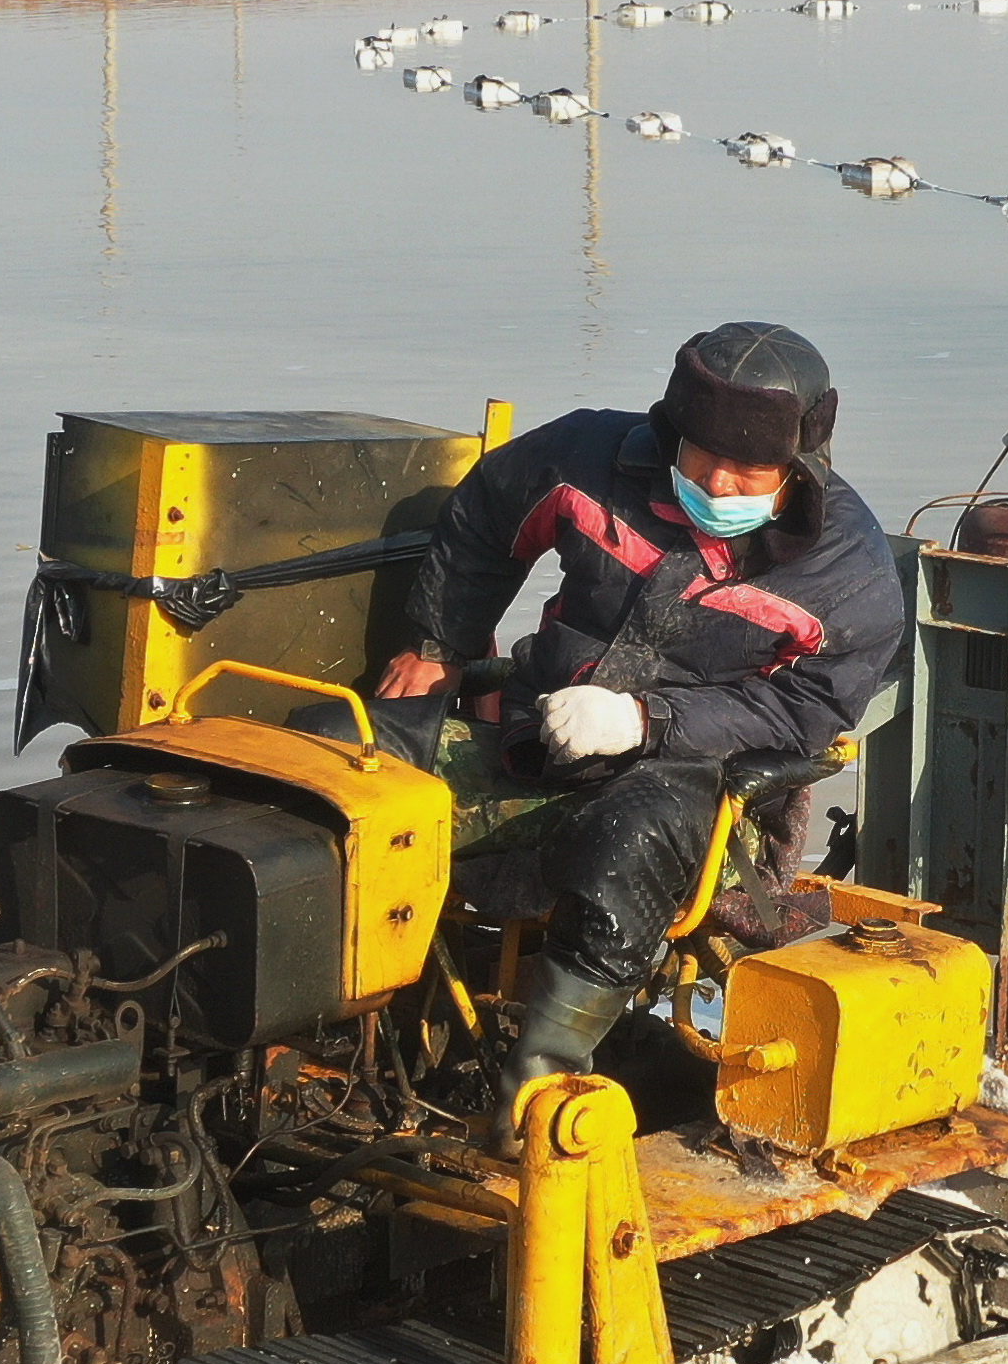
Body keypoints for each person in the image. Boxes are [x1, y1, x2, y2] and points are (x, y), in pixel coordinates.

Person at [378, 320, 907, 1108]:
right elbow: (485, 516)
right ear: (670, 431)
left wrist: (644, 720)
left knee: (632, 833)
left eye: (751, 468)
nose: (721, 483)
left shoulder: (850, 577)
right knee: (343, 759)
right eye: (703, 457)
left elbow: (805, 713)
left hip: (691, 790)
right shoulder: (585, 456)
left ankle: (538, 1092)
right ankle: (346, 1028)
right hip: (531, 732)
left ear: (800, 463)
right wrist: (436, 645)